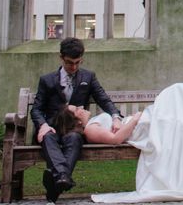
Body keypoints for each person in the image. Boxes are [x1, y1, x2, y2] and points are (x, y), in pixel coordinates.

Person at [54, 82, 183, 203]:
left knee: (175, 96)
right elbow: (116, 139)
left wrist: (117, 119)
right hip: (140, 128)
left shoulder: (94, 123)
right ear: (76, 121)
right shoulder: (90, 129)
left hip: (141, 124)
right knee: (175, 93)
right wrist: (134, 119)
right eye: (76, 109)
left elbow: (114, 128)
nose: (80, 107)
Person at [30, 37, 122, 203]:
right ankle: (63, 177)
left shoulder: (88, 77)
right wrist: (42, 125)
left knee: (74, 138)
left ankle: (58, 180)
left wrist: (116, 117)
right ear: (61, 57)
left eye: (77, 63)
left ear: (82, 59)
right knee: (48, 137)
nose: (73, 67)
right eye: (69, 63)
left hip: (74, 129)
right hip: (51, 127)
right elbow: (36, 109)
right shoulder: (47, 80)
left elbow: (104, 100)